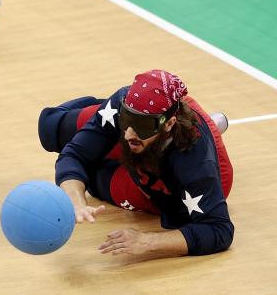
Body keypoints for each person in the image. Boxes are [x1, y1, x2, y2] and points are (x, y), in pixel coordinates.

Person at [37, 70, 234, 257]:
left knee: (95, 179)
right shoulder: (127, 112)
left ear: (169, 124)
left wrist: (147, 242)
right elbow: (75, 155)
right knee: (49, 128)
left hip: (170, 188)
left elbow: (219, 229)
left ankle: (210, 127)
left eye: (140, 124)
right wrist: (77, 203)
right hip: (148, 143)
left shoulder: (195, 165)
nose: (129, 133)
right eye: (126, 119)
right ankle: (99, 110)